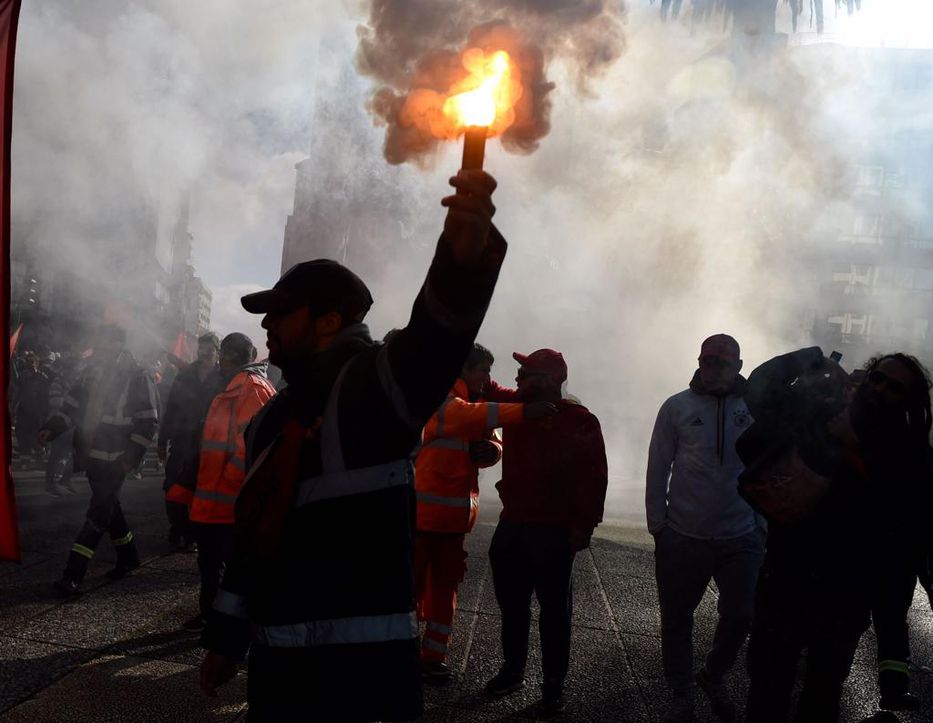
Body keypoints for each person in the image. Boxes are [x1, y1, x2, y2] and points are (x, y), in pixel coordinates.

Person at [199, 169, 505, 722]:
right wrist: (226, 636)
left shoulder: (375, 388)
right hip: (279, 670)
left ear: (328, 322)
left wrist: (461, 259)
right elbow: (254, 537)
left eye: (281, 311)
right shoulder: (269, 419)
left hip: (364, 680)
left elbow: (436, 336)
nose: (266, 323)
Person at [740, 348, 933, 722]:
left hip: (845, 600)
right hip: (786, 581)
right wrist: (812, 359)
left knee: (821, 699)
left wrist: (853, 446)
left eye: (894, 387)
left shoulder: (911, 454)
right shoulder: (822, 413)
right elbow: (759, 391)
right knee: (766, 693)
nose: (879, 389)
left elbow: (906, 529)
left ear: (909, 400)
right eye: (877, 377)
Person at [414, 343, 553, 683]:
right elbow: (464, 416)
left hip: (452, 522)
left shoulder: (474, 402)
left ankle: (432, 656)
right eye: (483, 370)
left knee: (445, 591)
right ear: (463, 369)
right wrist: (524, 412)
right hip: (419, 519)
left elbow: (491, 433)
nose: (488, 378)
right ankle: (400, 654)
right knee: (411, 591)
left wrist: (491, 449)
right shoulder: (437, 397)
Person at [646, 334, 764, 723]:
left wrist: (762, 525)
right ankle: (681, 694)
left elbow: (767, 464)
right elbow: (658, 465)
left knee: (742, 614)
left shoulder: (754, 407)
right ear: (698, 361)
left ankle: (714, 674)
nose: (712, 369)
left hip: (740, 534)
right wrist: (658, 525)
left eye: (721, 363)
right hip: (682, 533)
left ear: (738, 367)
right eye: (707, 360)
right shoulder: (677, 406)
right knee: (677, 618)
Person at [485, 348, 608, 714]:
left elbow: (594, 477)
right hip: (514, 523)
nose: (519, 377)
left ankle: (553, 685)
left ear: (552, 379)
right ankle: (514, 670)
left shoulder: (579, 419)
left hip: (552, 530)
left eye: (527, 372)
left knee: (555, 611)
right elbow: (481, 390)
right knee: (512, 604)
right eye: (520, 372)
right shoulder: (518, 408)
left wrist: (584, 525)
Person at [40, 325, 160, 596]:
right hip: (91, 457)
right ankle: (129, 557)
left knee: (98, 513)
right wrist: (53, 427)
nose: (99, 347)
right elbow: (72, 405)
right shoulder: (92, 371)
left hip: (117, 460)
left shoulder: (138, 375)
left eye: (105, 342)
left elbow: (148, 421)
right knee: (110, 510)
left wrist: (130, 460)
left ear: (118, 344)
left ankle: (73, 574)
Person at [185, 333, 275, 631]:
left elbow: (251, 447)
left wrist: (230, 480)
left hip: (229, 500)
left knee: (228, 567)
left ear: (231, 357)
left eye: (222, 354)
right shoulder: (235, 385)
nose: (218, 360)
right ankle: (211, 615)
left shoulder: (252, 389)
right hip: (214, 498)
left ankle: (226, 625)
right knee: (211, 565)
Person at [158, 332, 223, 550]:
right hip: (181, 442)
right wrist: (162, 440)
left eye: (209, 348)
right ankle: (180, 527)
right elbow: (171, 409)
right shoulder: (184, 376)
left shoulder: (224, 378)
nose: (205, 352)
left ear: (217, 351)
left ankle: (189, 533)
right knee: (172, 489)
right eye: (202, 348)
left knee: (199, 493)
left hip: (210, 445)